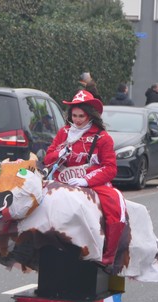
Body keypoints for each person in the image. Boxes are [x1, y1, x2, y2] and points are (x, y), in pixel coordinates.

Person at [44, 90, 126, 268]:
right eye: (74, 116)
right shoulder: (63, 133)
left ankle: (109, 254)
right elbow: (48, 158)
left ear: (90, 115)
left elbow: (110, 168)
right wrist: (60, 153)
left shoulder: (103, 137)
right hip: (61, 180)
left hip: (92, 182)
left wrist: (86, 180)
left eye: (81, 116)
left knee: (115, 206)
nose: (77, 120)